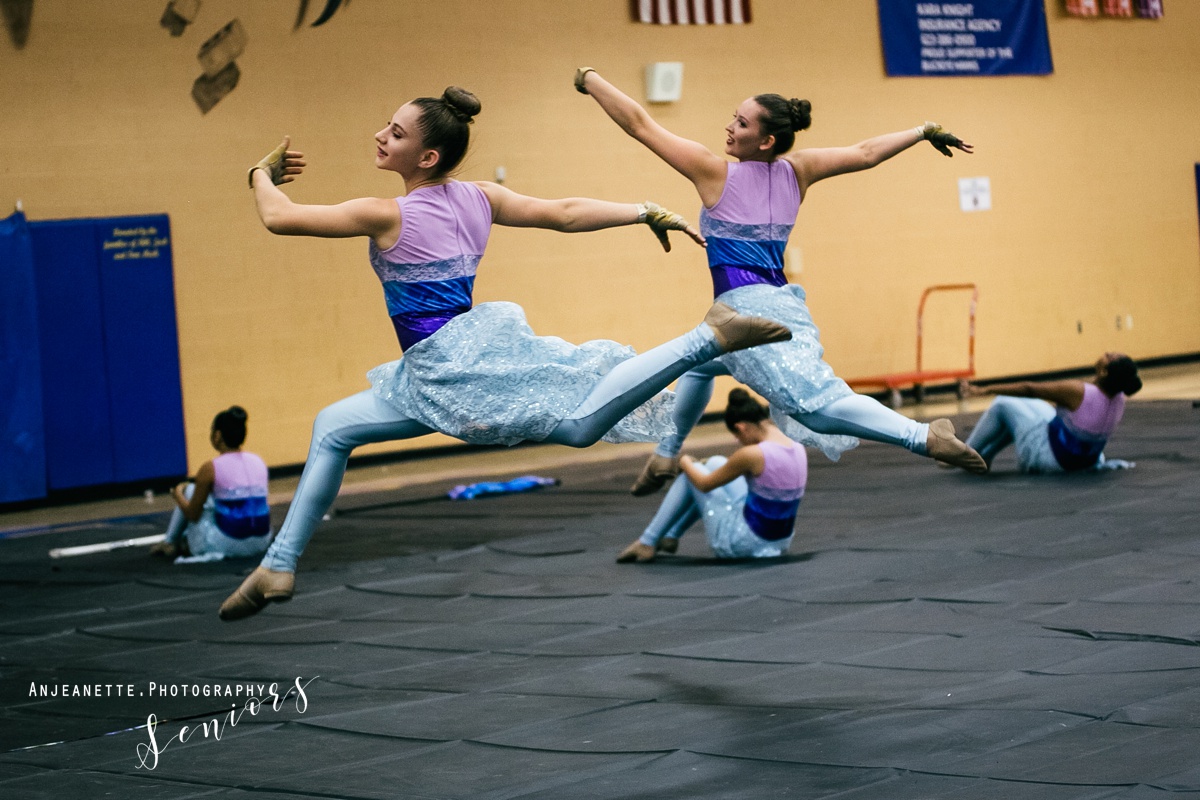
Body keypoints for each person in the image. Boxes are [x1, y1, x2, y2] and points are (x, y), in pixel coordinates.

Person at [219, 87, 793, 620]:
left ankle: (708, 338)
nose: (379, 136)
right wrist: (640, 209)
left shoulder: (385, 213)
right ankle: (277, 565)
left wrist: (258, 175)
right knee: (335, 427)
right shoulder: (479, 197)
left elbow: (278, 217)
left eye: (394, 133)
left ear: (425, 158)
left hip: (450, 367)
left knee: (576, 426)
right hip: (440, 367)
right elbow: (562, 212)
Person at [573, 68, 988, 497]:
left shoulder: (713, 171)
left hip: (745, 310)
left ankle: (921, 437)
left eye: (742, 123)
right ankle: (667, 454)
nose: (730, 128)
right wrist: (921, 131)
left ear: (766, 140)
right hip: (781, 302)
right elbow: (865, 153)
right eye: (734, 118)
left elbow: (640, 124)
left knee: (815, 406)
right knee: (698, 367)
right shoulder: (798, 169)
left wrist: (590, 79)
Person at [617, 388, 806, 562]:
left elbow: (704, 484)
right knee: (716, 461)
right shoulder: (793, 442)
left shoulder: (752, 454)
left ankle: (648, 541)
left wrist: (684, 461)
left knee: (691, 475)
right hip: (778, 542)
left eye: (737, 436)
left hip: (745, 543)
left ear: (741, 427)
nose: (737, 441)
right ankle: (670, 536)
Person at [960, 352, 1142, 473]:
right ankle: (985, 457)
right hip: (1087, 461)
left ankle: (961, 454)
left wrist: (986, 390)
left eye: (1108, 356)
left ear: (1103, 371)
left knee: (1003, 402)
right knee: (1028, 410)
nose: (1106, 352)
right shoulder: (1119, 398)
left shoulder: (1079, 392)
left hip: (1051, 459)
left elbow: (1029, 388)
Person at [150, 406, 273, 562]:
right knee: (225, 502)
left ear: (217, 435)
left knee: (190, 490)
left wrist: (178, 495)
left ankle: (170, 541)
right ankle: (178, 540)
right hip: (261, 542)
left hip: (229, 544)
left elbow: (193, 515)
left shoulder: (210, 468)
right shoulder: (258, 461)